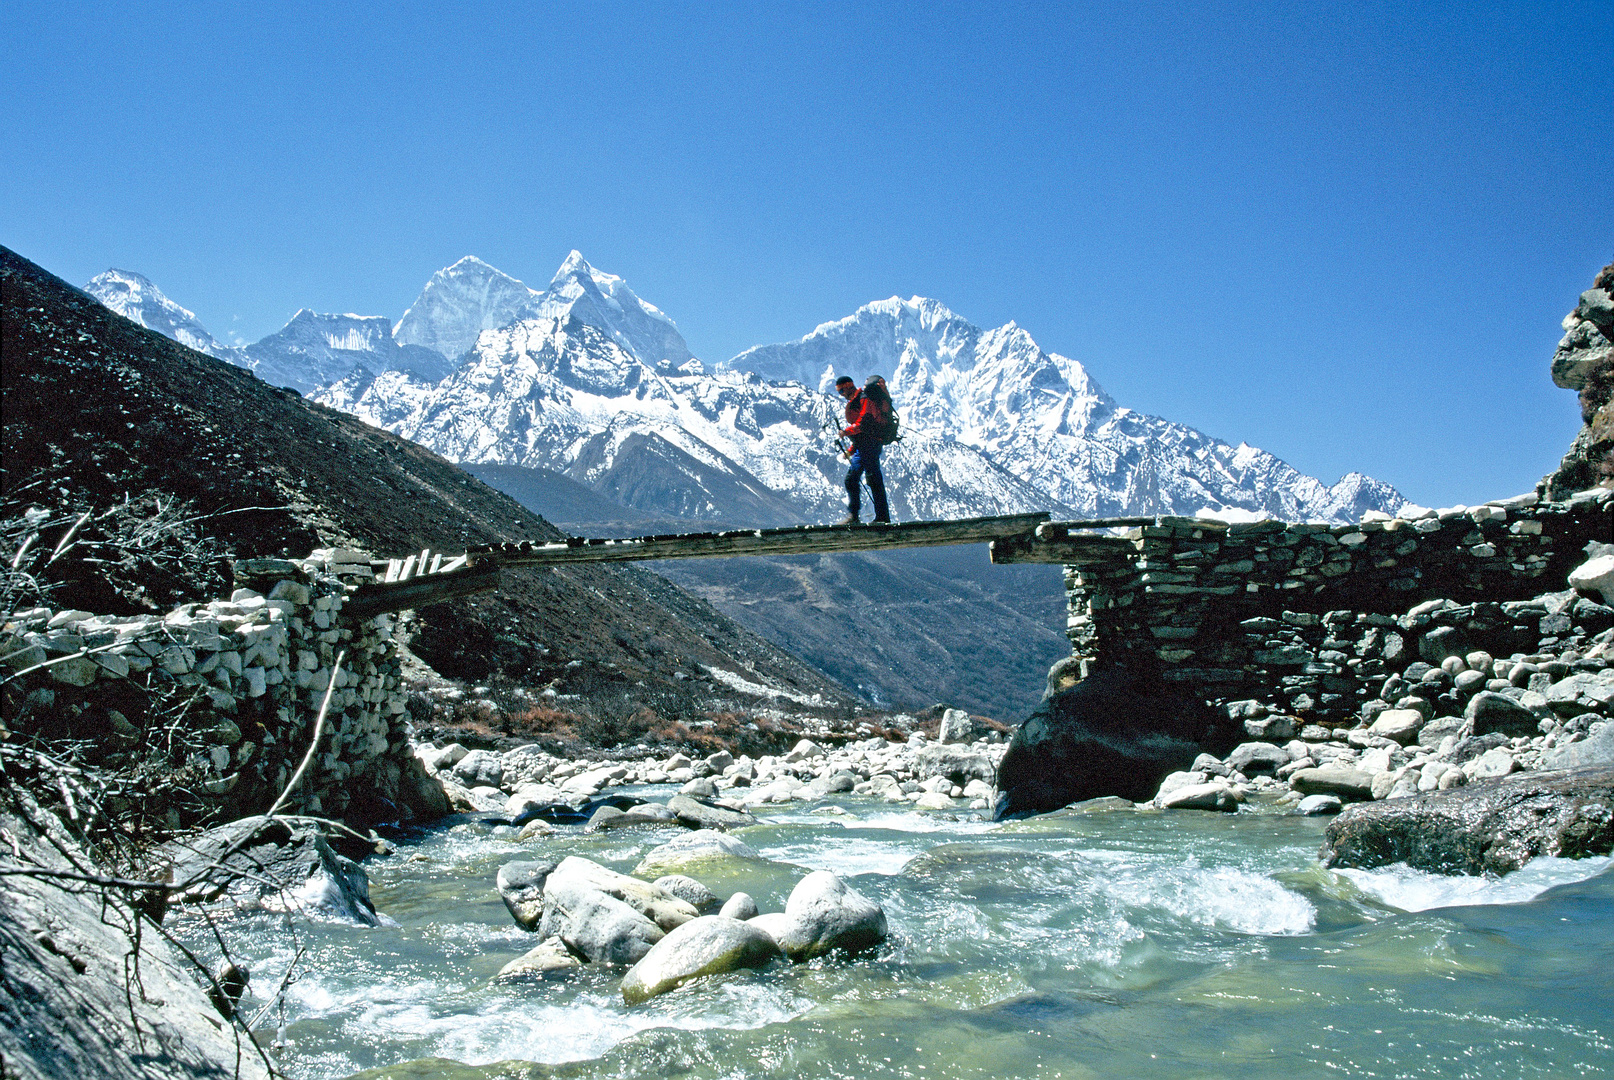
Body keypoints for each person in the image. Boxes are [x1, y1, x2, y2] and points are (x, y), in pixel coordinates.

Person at [835, 374, 891, 525]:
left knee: (873, 478)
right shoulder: (859, 400)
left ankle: (882, 517)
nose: (841, 395)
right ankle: (855, 516)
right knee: (852, 479)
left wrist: (845, 432)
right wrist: (852, 450)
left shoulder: (864, 398)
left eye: (841, 391)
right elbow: (863, 432)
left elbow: (864, 423)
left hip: (872, 444)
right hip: (864, 446)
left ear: (847, 388)